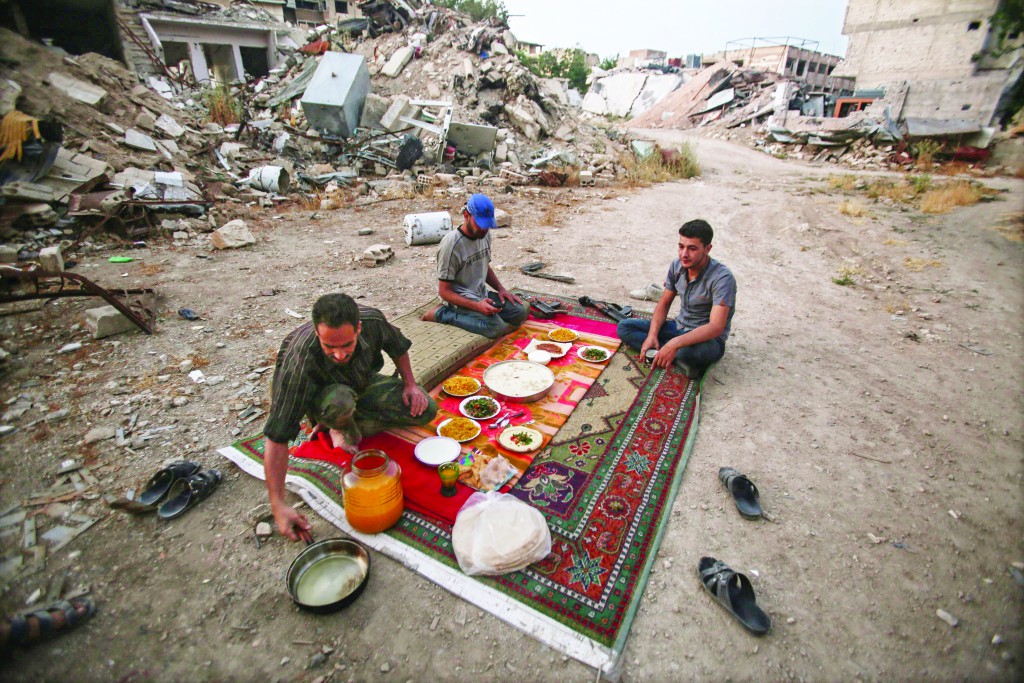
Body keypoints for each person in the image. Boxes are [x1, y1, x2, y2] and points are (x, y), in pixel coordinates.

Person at [263, 293, 437, 541]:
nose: (339, 355)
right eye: (329, 347)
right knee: (339, 401)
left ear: (358, 329)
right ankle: (335, 420)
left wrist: (410, 384)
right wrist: (278, 505)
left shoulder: (373, 321)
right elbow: (277, 436)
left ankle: (340, 422)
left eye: (347, 345)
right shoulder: (300, 359)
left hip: (360, 384)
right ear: (316, 333)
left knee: (425, 409)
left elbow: (398, 347)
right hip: (325, 398)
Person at [617, 219, 736, 379]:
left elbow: (715, 327)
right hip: (679, 327)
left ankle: (672, 352)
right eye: (681, 246)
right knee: (625, 327)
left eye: (692, 248)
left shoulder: (722, 278)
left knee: (688, 354)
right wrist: (652, 335)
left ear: (707, 249)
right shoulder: (677, 266)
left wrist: (675, 343)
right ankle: (671, 354)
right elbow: (664, 303)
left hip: (707, 340)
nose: (684, 254)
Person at [421, 193, 529, 339]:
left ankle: (481, 311)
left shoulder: (484, 235)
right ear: (466, 216)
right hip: (457, 301)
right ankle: (441, 314)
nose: (485, 230)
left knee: (519, 312)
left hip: (480, 294)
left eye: (487, 226)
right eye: (481, 224)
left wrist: (501, 289)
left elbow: (485, 266)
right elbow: (444, 292)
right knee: (496, 328)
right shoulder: (451, 245)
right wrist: (477, 306)